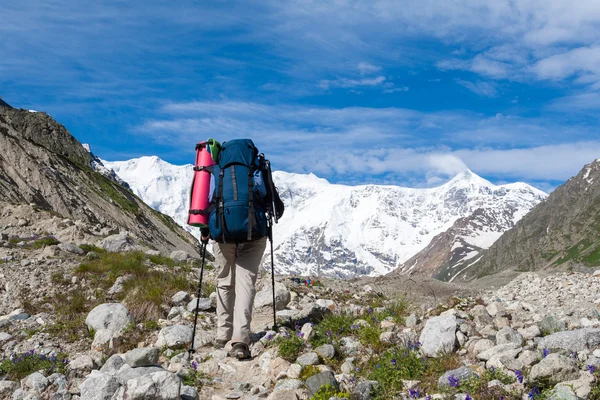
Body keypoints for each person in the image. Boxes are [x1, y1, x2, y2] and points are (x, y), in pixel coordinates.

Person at [200, 228, 265, 359]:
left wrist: (205, 231)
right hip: (254, 233)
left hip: (221, 231)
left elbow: (200, 210)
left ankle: (223, 335)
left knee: (225, 280)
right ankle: (240, 340)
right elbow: (277, 209)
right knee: (245, 283)